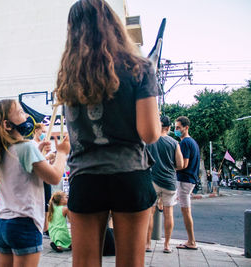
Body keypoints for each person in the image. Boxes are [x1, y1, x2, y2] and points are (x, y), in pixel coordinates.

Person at [53, 1, 161, 266]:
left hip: (86, 179)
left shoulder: (68, 76)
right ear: (113, 24)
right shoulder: (139, 67)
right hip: (129, 174)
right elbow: (149, 134)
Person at [0, 99, 70, 267]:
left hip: (3, 223)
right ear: (7, 125)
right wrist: (62, 154)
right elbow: (54, 177)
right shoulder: (26, 147)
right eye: (21, 112)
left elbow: (20, 171)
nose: (27, 115)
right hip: (24, 223)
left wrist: (40, 155)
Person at [145, 116, 184, 253]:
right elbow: (180, 164)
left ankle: (148, 244)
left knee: (149, 213)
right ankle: (167, 245)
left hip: (152, 181)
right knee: (169, 214)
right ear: (168, 128)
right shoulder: (174, 143)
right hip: (169, 182)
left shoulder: (149, 142)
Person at [174, 116, 200, 250]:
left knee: (186, 211)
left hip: (185, 180)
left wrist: (171, 167)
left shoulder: (184, 143)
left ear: (186, 128)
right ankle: (191, 240)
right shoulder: (193, 142)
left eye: (178, 127)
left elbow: (183, 164)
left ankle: (191, 241)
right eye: (175, 127)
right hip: (190, 180)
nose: (176, 130)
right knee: (186, 210)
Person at [32, 123, 54, 238]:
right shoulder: (31, 144)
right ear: (36, 131)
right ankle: (41, 227)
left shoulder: (46, 145)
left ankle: (46, 227)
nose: (44, 134)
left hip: (45, 177)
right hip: (35, 177)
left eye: (46, 132)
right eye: (43, 131)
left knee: (47, 202)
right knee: (37, 202)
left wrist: (52, 159)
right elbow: (35, 161)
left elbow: (48, 164)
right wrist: (46, 158)